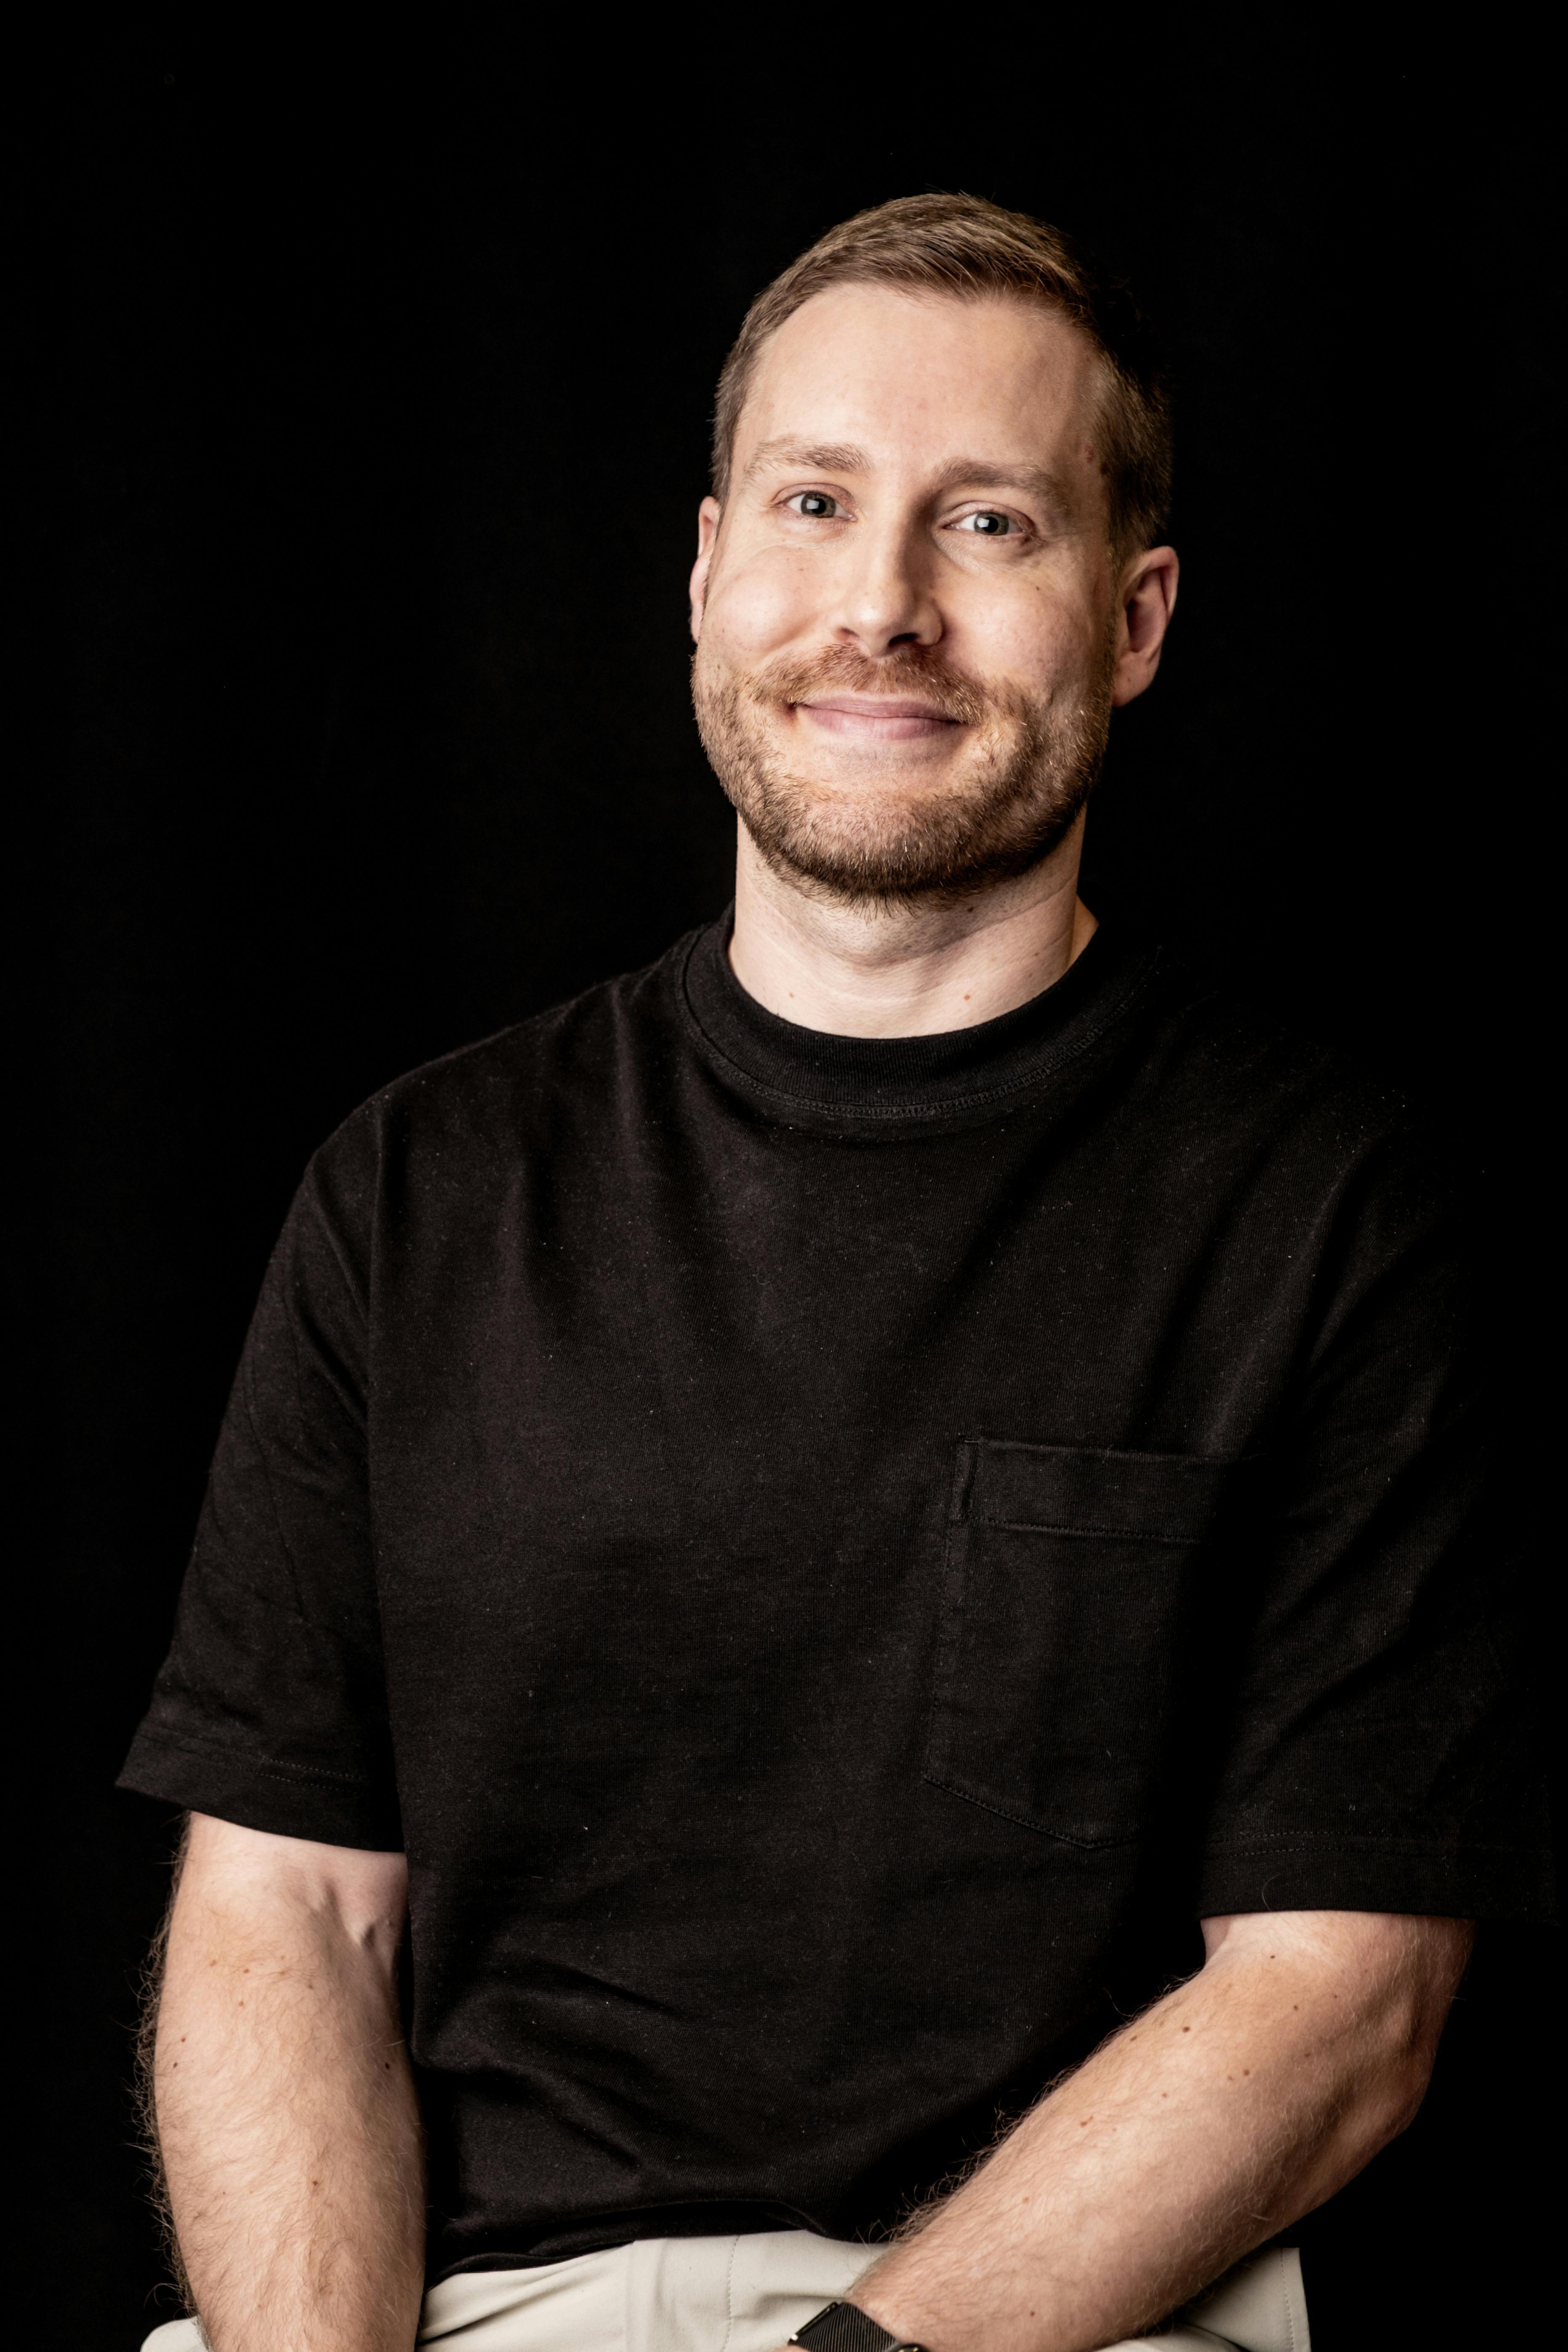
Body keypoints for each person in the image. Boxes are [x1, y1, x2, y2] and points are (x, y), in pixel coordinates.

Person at [121, 194, 1543, 2352]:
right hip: (464, 2316)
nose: (879, 604)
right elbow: (285, 1916)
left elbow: (1337, 1994)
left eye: (986, 522)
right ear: (706, 573)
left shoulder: (1316, 1208)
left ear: (1136, 616)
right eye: (813, 501)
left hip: (1052, 2331)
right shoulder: (414, 1193)